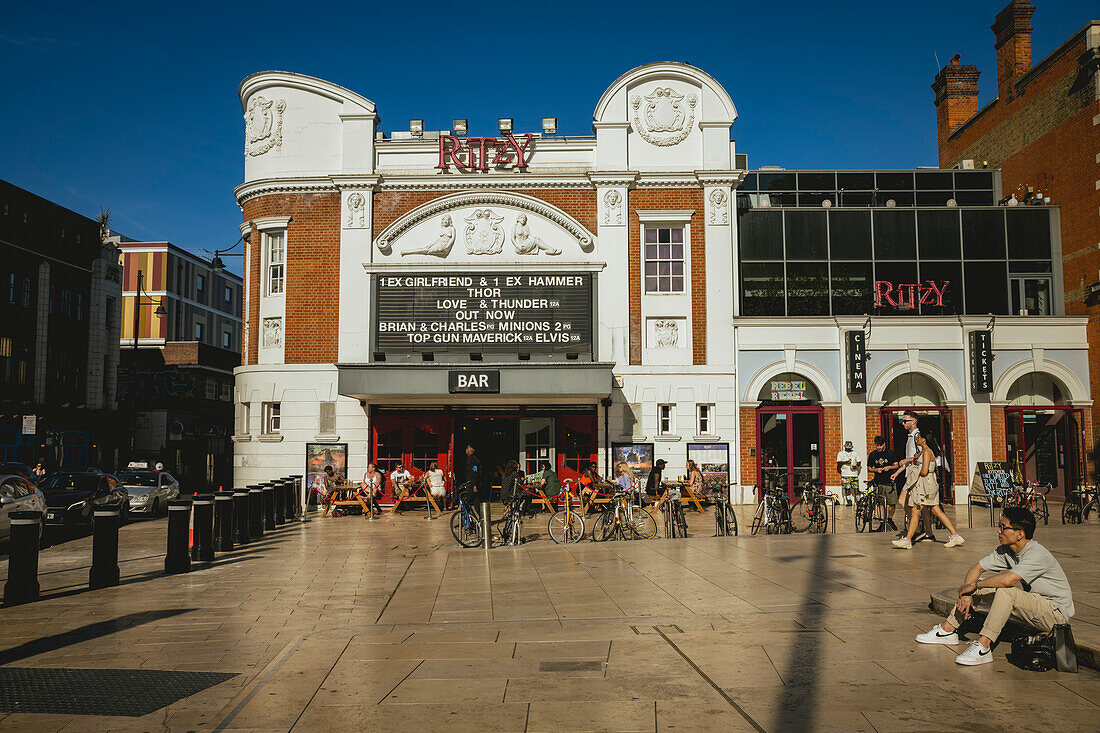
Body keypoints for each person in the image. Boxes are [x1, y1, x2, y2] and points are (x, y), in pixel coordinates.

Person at [916, 507, 1074, 666]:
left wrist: (974, 585)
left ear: (1020, 533)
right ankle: (947, 630)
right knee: (980, 586)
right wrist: (967, 593)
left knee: (1006, 592)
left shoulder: (1037, 554)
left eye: (1003, 527)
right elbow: (977, 568)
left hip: (1055, 616)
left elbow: (1008, 580)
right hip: (1035, 608)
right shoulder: (1006, 550)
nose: (998, 531)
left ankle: (983, 647)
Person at [891, 431, 964, 549]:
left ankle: (908, 540)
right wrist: (915, 458)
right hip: (929, 484)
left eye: (918, 437)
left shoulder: (926, 453)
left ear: (924, 440)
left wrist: (914, 470)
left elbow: (924, 471)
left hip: (927, 484)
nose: (916, 440)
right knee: (935, 511)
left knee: (916, 510)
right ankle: (955, 535)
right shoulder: (924, 452)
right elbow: (917, 457)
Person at [867, 435, 900, 531]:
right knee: (879, 503)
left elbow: (896, 465)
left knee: (892, 503)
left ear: (884, 444)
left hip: (889, 482)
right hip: (878, 482)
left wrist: (889, 467)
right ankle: (882, 522)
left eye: (880, 445)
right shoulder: (873, 455)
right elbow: (869, 468)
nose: (878, 447)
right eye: (877, 445)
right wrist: (876, 470)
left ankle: (890, 519)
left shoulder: (890, 454)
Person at [836, 440, 862, 506]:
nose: (848, 449)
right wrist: (845, 462)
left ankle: (859, 500)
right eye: (847, 448)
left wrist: (856, 466)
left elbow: (859, 461)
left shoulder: (855, 453)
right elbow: (838, 462)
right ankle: (849, 500)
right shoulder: (841, 453)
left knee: (856, 488)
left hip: (854, 474)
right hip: (845, 473)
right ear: (845, 447)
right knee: (847, 488)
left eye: (849, 448)